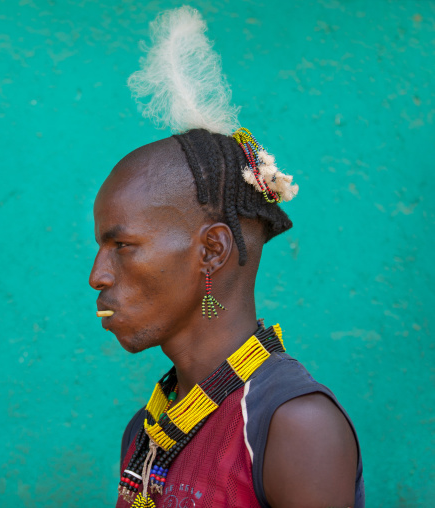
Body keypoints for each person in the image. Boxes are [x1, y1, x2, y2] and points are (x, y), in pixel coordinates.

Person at [88, 7, 364, 508]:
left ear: (212, 250)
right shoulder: (149, 428)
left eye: (122, 246)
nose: (97, 275)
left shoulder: (292, 427)